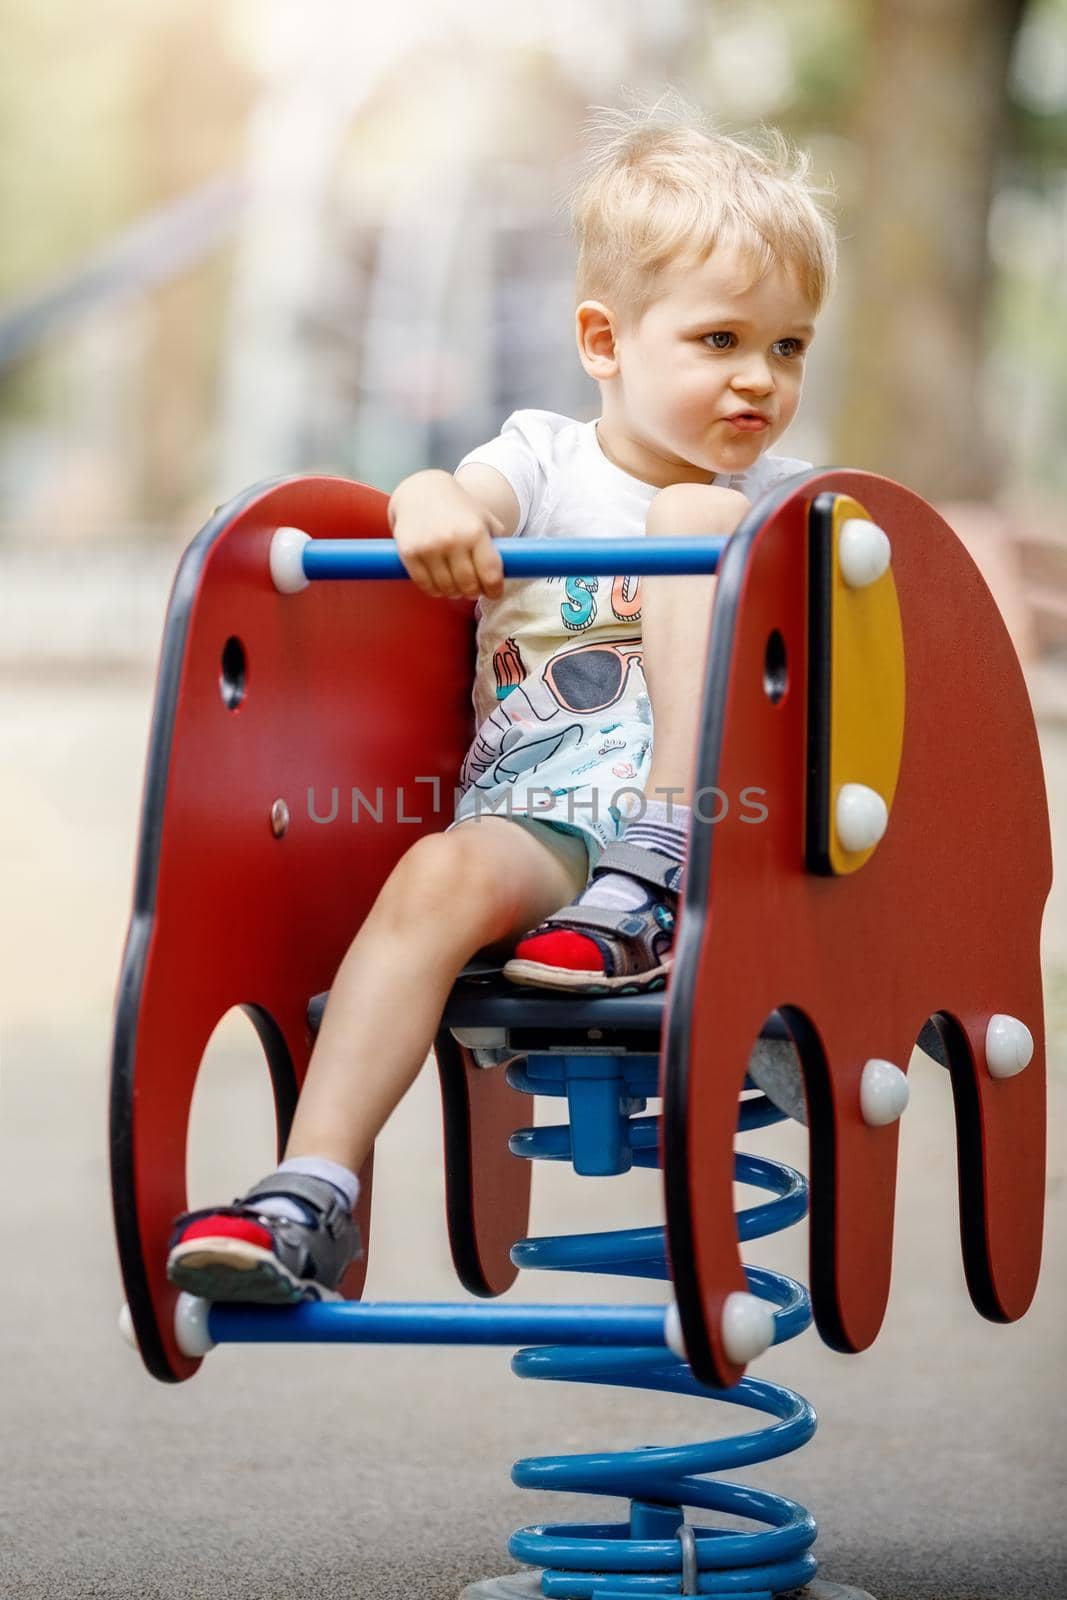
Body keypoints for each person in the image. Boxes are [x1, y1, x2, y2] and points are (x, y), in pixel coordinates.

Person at [166, 94, 836, 1305]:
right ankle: (307, 1190)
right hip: (542, 823)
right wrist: (428, 504)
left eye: (787, 348)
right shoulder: (544, 456)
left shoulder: (783, 502)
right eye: (719, 341)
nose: (758, 381)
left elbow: (877, 608)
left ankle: (660, 860)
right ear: (603, 340)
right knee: (430, 876)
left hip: (719, 837)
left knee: (700, 521)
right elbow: (452, 496)